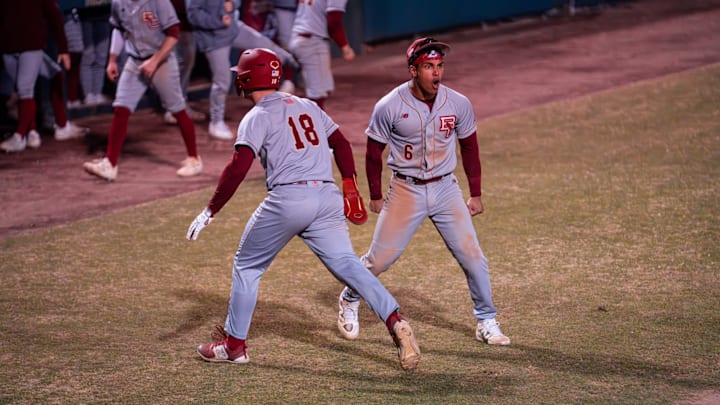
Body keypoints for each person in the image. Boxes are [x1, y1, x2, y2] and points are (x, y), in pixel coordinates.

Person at [187, 48, 420, 370]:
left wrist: (210, 210)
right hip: (327, 199)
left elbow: (237, 168)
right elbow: (339, 143)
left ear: (244, 79)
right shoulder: (307, 105)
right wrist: (350, 185)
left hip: (288, 200)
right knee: (349, 266)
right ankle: (395, 319)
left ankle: (234, 346)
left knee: (247, 266)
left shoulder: (256, 117)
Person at [336, 37, 511, 346]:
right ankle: (350, 296)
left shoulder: (457, 102)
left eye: (439, 66)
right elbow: (373, 152)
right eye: (428, 66)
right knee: (379, 261)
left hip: (446, 189)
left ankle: (487, 321)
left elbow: (469, 147)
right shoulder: (389, 105)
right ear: (413, 70)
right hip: (406, 189)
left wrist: (476, 193)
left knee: (473, 258)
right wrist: (375, 194)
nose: (436, 73)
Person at [83, 0, 202, 181]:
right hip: (135, 61)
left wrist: (154, 61)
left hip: (162, 61)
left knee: (177, 109)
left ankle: (194, 159)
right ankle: (110, 164)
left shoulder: (159, 2)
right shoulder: (119, 2)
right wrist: (112, 59)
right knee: (121, 108)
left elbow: (173, 34)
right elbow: (118, 29)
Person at [0, 0, 77, 153]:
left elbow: (54, 16)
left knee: (29, 88)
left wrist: (63, 48)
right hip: (9, 47)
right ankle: (30, 132)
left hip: (30, 46)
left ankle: (24, 135)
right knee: (26, 89)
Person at [186, 0, 241, 140]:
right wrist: (218, 21)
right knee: (223, 81)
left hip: (231, 31)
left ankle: (297, 68)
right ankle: (216, 122)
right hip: (213, 40)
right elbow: (193, 14)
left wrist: (233, 4)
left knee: (267, 45)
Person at [288, 0, 354, 110]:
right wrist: (345, 47)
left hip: (300, 37)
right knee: (317, 95)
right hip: (311, 42)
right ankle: (311, 124)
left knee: (325, 88)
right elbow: (334, 22)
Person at [163, 0, 206, 125]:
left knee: (186, 66)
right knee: (174, 67)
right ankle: (172, 109)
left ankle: (180, 106)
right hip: (171, 26)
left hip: (188, 27)